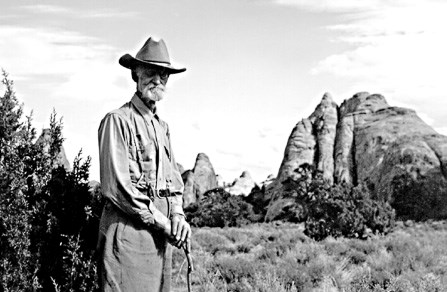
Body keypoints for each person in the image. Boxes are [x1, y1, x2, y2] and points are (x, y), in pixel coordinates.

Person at [97, 37, 191, 292]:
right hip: (129, 231)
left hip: (160, 238)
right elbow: (117, 188)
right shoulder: (117, 121)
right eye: (151, 72)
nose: (157, 80)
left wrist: (178, 215)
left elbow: (173, 183)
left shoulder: (163, 127)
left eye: (164, 74)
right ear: (135, 74)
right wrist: (164, 222)